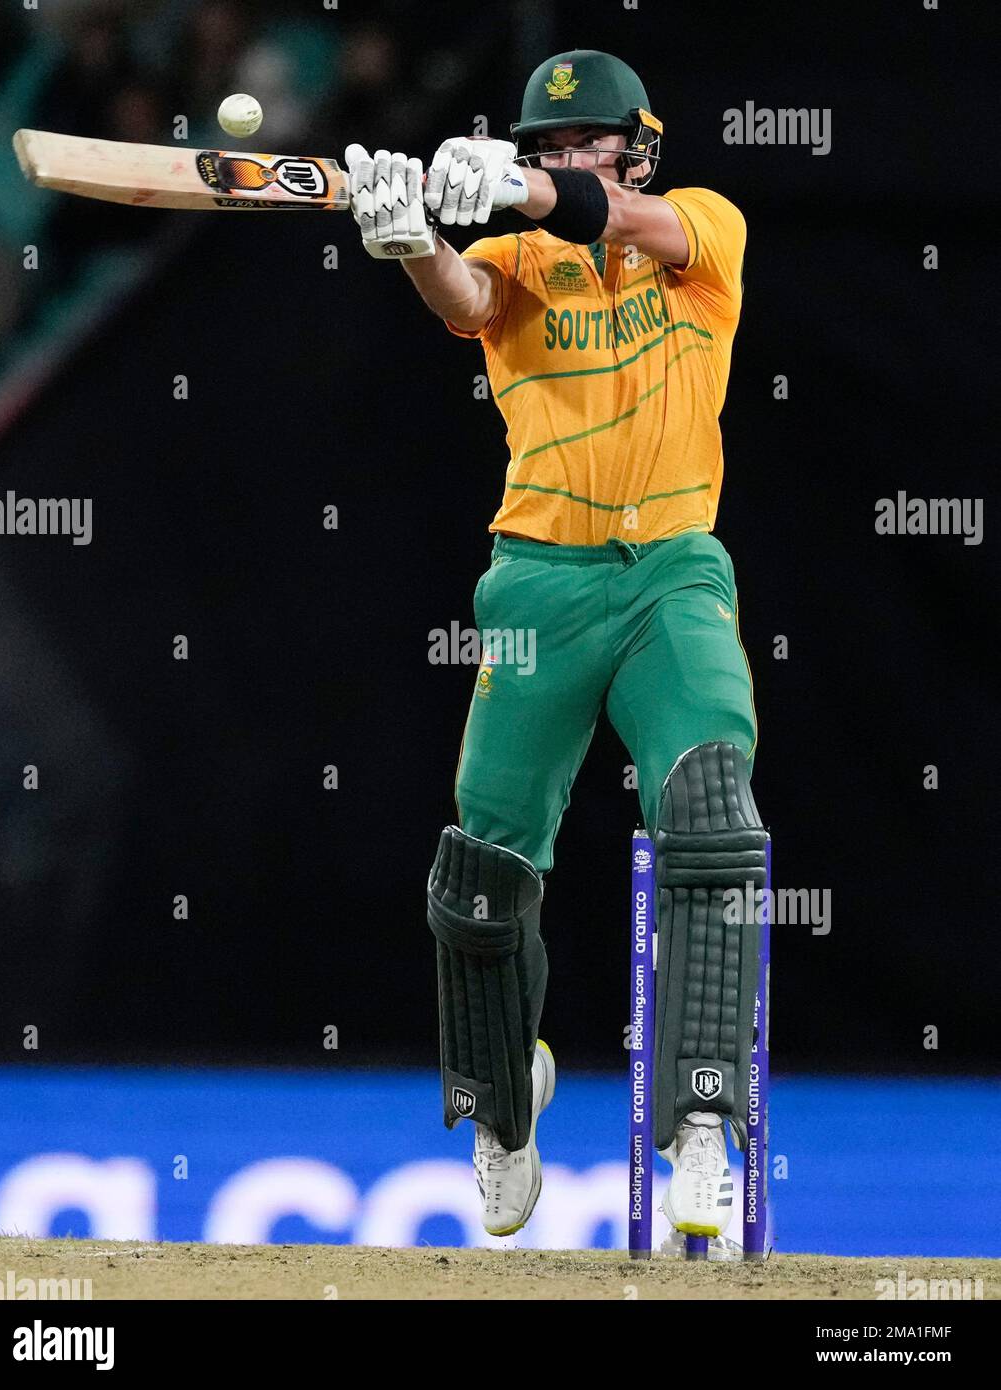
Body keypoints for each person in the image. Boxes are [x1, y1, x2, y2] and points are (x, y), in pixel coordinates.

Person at [345, 48, 769, 1249]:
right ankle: (502, 1102)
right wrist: (409, 239)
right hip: (540, 581)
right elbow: (466, 305)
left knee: (714, 813)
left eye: (582, 148)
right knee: (481, 872)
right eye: (543, 150)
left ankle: (700, 1118)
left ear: (635, 148)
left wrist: (527, 190)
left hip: (674, 572)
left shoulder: (700, 226)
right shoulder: (518, 259)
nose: (563, 165)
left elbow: (634, 225)